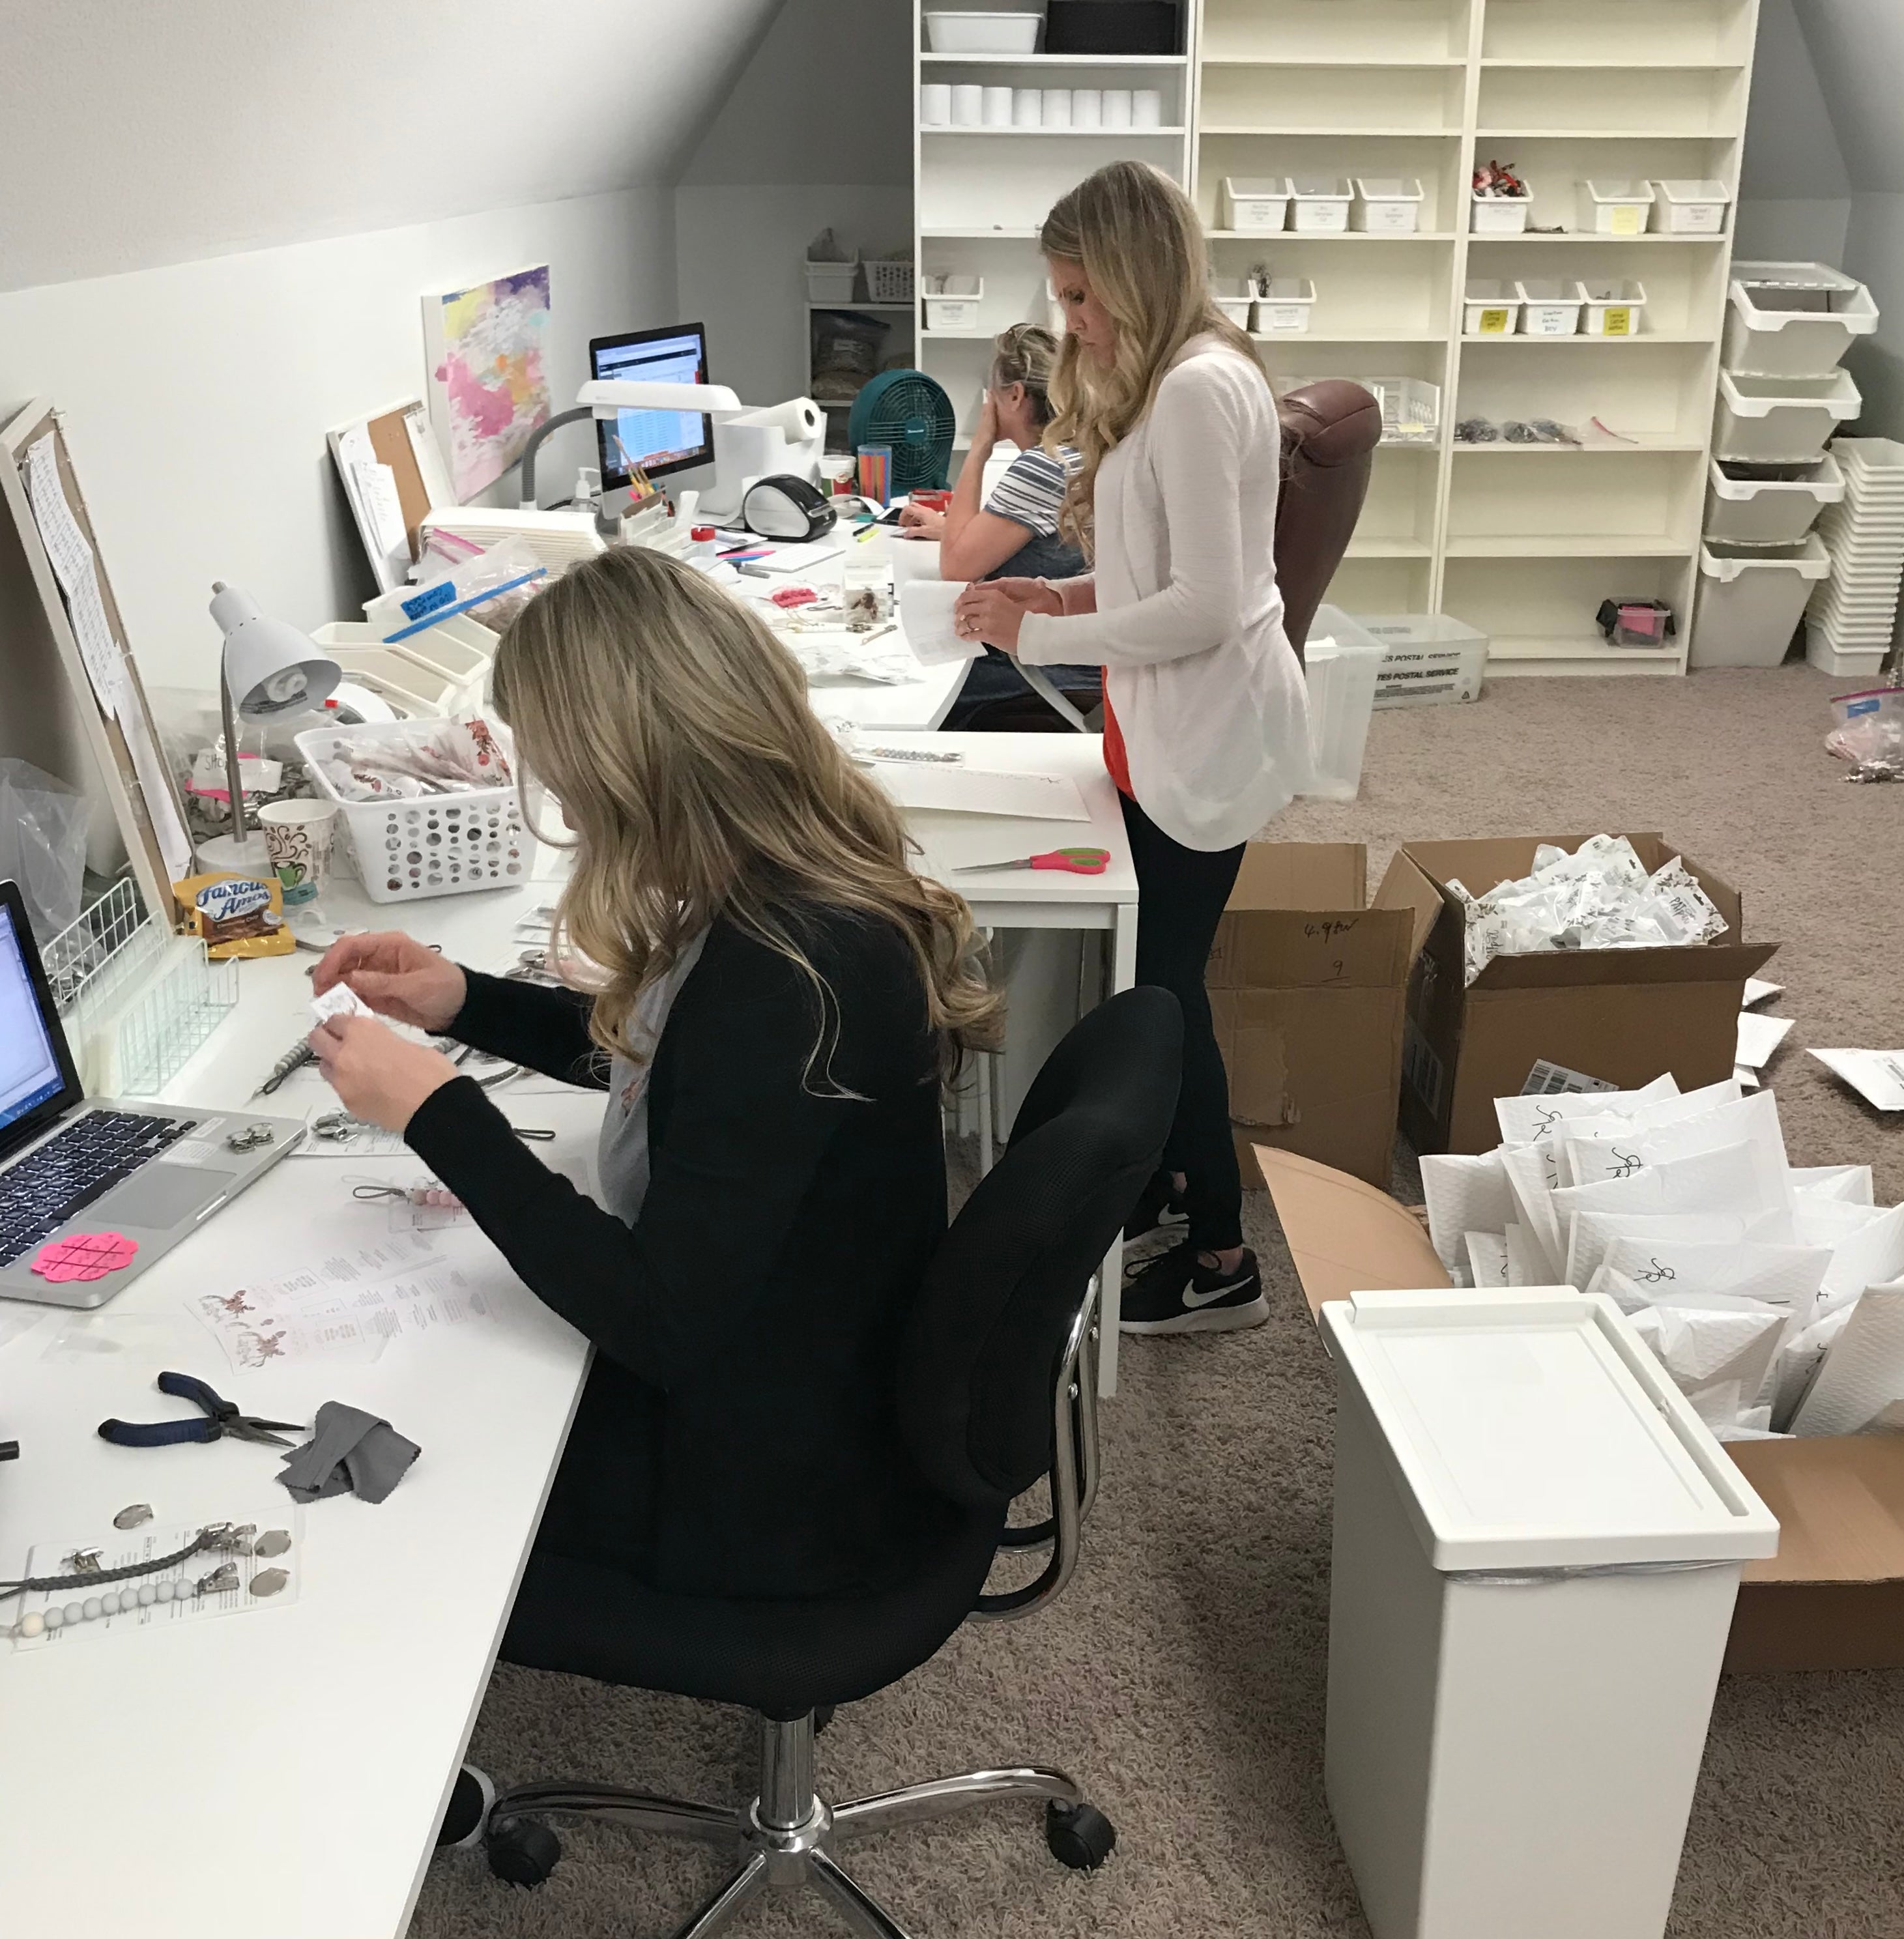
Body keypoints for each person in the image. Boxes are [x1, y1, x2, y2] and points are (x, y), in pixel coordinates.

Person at [306, 545, 1002, 1600]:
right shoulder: (790, 889)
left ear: (627, 768)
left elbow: (660, 1322)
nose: (566, 810)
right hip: (815, 1376)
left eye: (557, 767)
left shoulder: (784, 973)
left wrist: (439, 1110)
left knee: (396, 1455)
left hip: (772, 1486)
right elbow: (688, 1070)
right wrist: (467, 1001)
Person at [955, 160, 1316, 1339]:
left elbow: (1208, 603)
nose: (1070, 322)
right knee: (1158, 980)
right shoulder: (1170, 379)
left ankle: (1222, 1261)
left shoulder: (1202, 390)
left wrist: (1054, 619)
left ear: (1132, 275)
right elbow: (1170, 574)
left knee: (1165, 996)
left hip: (1211, 724)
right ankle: (1166, 1177)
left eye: (1078, 297)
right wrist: (1059, 607)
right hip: (1167, 715)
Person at [896, 323, 1096, 729]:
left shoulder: (1043, 464)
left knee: (908, 693)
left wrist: (980, 446)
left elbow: (956, 567)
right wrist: (950, 526)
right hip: (1082, 659)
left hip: (1038, 674)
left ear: (1016, 395)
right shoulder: (1077, 450)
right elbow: (1016, 536)